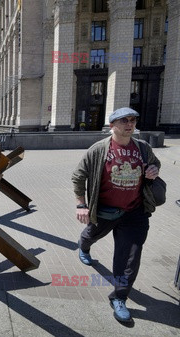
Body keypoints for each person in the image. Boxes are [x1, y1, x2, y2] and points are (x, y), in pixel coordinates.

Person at [71, 107, 161, 323]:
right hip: (105, 211)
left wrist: (153, 170)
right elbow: (78, 177)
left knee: (130, 257)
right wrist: (81, 205)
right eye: (124, 120)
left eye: (133, 120)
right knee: (91, 234)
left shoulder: (142, 147)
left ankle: (119, 297)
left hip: (135, 212)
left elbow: (156, 163)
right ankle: (84, 245)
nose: (130, 124)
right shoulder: (98, 149)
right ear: (112, 125)